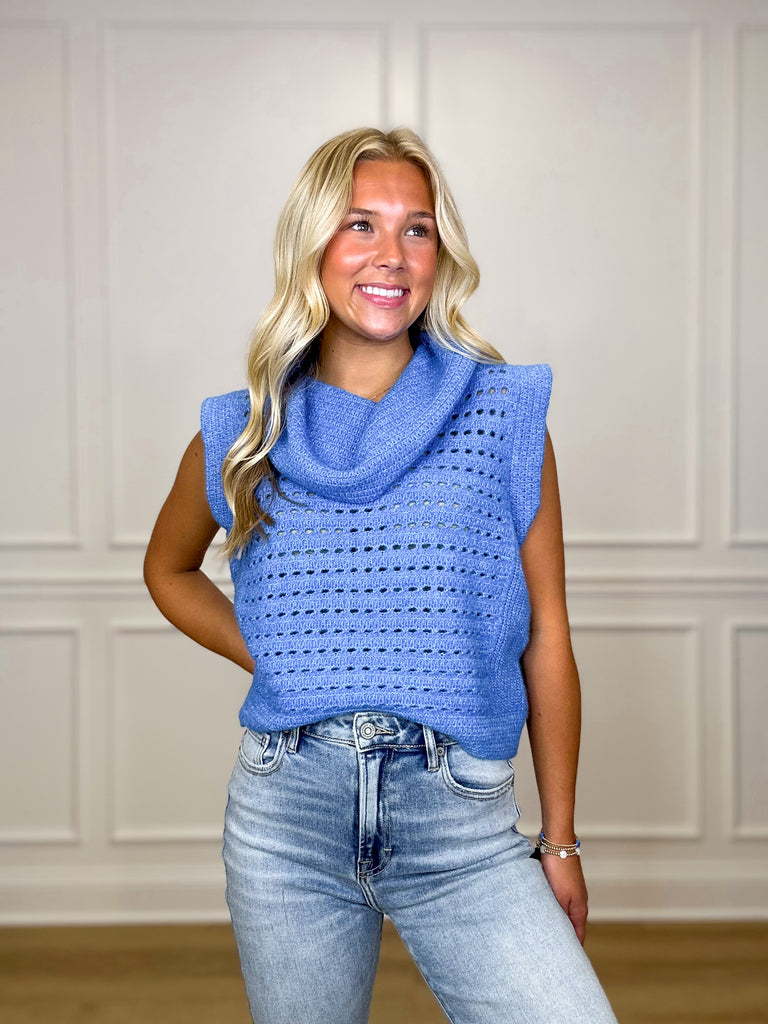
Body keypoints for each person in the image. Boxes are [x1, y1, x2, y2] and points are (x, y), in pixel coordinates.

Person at [144, 126, 618, 1024]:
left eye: (417, 229)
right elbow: (167, 569)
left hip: (459, 823)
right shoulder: (244, 430)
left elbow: (548, 636)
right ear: (314, 243)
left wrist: (560, 840)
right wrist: (281, 656)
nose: (391, 255)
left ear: (441, 255)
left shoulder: (502, 413)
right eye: (360, 224)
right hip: (287, 819)